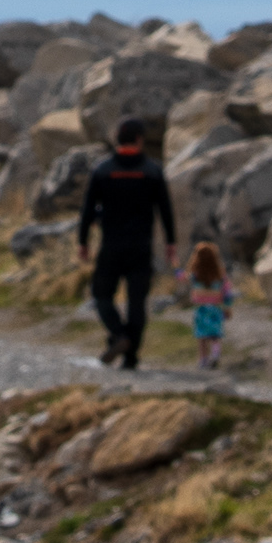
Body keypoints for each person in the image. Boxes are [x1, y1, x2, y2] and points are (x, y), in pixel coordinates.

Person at [76, 118, 176, 370]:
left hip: (111, 246)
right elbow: (165, 210)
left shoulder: (103, 170)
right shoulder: (152, 171)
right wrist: (171, 242)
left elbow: (88, 210)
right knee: (137, 302)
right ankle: (131, 358)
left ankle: (119, 335)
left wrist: (83, 242)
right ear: (140, 139)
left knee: (101, 295)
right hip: (141, 246)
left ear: (116, 139)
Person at [181, 240, 233, 373]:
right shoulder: (220, 276)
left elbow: (183, 278)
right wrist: (227, 308)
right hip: (215, 309)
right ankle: (215, 355)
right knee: (215, 335)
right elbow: (227, 293)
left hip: (201, 309)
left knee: (202, 337)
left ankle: (203, 359)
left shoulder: (196, 275)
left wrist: (176, 269)